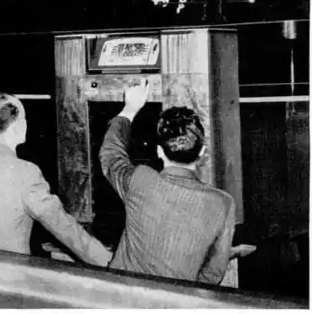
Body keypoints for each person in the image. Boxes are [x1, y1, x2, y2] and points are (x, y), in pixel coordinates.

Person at [0, 93, 112, 267]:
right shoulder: (26, 172)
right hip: (11, 276)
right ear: (16, 125)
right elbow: (62, 226)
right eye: (24, 118)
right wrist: (106, 260)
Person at [99, 81, 235, 284]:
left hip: (121, 296)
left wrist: (130, 108)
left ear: (159, 152)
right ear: (202, 152)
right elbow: (212, 274)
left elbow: (110, 155)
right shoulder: (223, 203)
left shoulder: (141, 180)